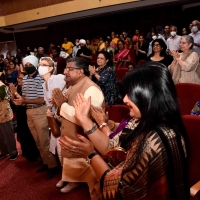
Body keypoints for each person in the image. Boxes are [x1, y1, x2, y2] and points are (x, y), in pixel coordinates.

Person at [59, 61, 190, 200]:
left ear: (148, 95)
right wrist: (84, 120)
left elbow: (121, 191)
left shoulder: (151, 140)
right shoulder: (147, 121)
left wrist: (91, 155)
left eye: (130, 94)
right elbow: (115, 150)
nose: (124, 99)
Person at [51, 57, 104, 199]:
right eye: (66, 68)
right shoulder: (72, 86)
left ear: (80, 71)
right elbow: (66, 112)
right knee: (89, 183)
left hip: (88, 145)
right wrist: (58, 104)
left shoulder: (91, 89)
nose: (65, 71)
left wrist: (62, 105)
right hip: (75, 142)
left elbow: (84, 120)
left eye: (70, 69)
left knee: (95, 186)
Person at [13, 55, 58, 179]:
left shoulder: (40, 78)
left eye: (29, 65)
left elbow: (42, 99)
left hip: (40, 111)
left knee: (44, 141)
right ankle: (46, 162)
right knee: (37, 141)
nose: (27, 67)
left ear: (35, 65)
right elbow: (26, 98)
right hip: (29, 112)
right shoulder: (26, 78)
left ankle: (53, 166)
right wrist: (20, 100)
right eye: (25, 65)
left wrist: (24, 102)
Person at [38, 57, 67, 189]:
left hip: (65, 115)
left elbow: (68, 90)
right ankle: (66, 175)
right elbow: (47, 104)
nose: (40, 67)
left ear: (51, 68)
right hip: (55, 118)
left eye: (44, 65)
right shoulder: (44, 84)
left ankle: (69, 178)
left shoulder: (59, 78)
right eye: (39, 64)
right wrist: (49, 111)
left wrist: (59, 98)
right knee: (58, 149)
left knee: (64, 148)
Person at [9, 72, 40, 161]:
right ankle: (27, 153)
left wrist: (15, 93)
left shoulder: (28, 89)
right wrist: (12, 93)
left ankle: (34, 155)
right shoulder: (18, 87)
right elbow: (14, 102)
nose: (19, 80)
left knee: (29, 134)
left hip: (27, 113)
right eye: (18, 78)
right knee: (22, 134)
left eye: (21, 79)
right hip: (20, 114)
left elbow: (21, 103)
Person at [0, 73, 18, 161]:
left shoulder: (1, 86)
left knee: (8, 134)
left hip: (4, 113)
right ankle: (4, 151)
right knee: (1, 135)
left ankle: (13, 152)